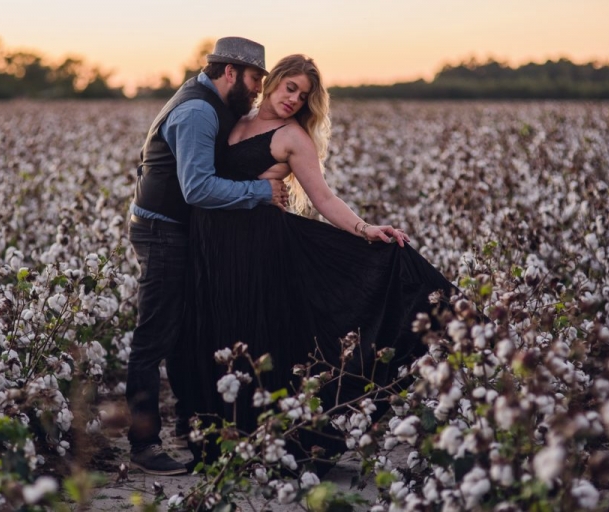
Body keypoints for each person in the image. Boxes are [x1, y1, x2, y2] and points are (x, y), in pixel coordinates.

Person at [176, 54, 457, 469]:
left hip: (262, 251)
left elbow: (323, 198)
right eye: (290, 88)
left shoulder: (292, 137)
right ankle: (227, 437)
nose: (294, 100)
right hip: (215, 250)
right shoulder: (232, 119)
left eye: (303, 96)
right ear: (273, 83)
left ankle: (272, 441)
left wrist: (365, 230)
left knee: (258, 340)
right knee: (218, 335)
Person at [125, 37, 289, 476]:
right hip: (162, 230)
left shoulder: (215, 103)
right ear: (230, 72)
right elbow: (197, 188)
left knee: (183, 333)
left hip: (175, 227)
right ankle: (142, 445)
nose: (258, 89)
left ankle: (189, 426)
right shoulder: (198, 111)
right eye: (255, 79)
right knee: (154, 336)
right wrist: (262, 191)